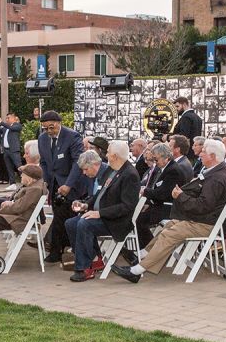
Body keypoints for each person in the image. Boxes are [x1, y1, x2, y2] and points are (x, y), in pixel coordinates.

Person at [110, 139, 226, 283]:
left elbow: (203, 206)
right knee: (170, 225)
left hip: (205, 224)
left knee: (170, 233)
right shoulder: (216, 173)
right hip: (201, 219)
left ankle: (137, 270)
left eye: (204, 152)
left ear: (212, 156)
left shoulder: (217, 178)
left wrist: (181, 196)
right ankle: (143, 255)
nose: (200, 154)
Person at [66, 142, 141, 282]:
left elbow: (127, 206)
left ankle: (84, 268)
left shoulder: (129, 174)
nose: (105, 155)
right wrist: (85, 205)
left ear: (114, 156)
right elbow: (99, 196)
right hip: (103, 217)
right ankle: (95, 260)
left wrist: (100, 213)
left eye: (108, 153)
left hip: (116, 221)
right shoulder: (112, 171)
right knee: (70, 223)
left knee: (84, 224)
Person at [0, 165, 47, 273]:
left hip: (17, 220)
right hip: (16, 217)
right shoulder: (34, 186)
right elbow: (19, 205)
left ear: (30, 177)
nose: (21, 176)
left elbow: (19, 207)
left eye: (23, 174)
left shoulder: (34, 189)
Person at [38, 110, 85, 263]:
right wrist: (45, 180)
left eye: (51, 127)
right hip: (54, 186)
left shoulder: (72, 136)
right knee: (59, 217)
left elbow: (77, 163)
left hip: (72, 184)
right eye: (45, 128)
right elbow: (44, 162)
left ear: (59, 123)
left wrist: (68, 184)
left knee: (68, 218)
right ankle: (57, 250)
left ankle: (67, 250)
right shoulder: (42, 139)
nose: (49, 131)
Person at [136, 142, 194, 248]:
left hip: (170, 207)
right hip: (161, 204)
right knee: (137, 217)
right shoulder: (164, 168)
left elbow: (163, 194)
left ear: (166, 158)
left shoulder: (173, 171)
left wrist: (145, 191)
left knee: (140, 220)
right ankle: (146, 248)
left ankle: (149, 249)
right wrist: (148, 202)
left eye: (156, 160)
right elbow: (157, 191)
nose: (155, 162)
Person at [1, 112, 23, 185]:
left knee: (19, 166)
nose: (7, 119)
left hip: (14, 150)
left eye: (8, 118)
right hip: (6, 150)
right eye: (6, 118)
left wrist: (1, 122)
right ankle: (12, 183)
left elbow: (11, 128)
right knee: (9, 168)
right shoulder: (5, 128)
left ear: (13, 118)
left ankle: (26, 182)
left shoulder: (17, 125)